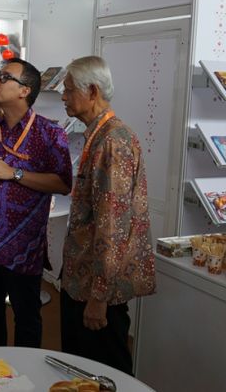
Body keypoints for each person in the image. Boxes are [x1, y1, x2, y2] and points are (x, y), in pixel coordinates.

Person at [0, 58, 72, 348]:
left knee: (26, 320)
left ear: (24, 91)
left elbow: (63, 183)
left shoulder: (50, 134)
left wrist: (15, 173)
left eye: (4, 77)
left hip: (24, 248)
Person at [60, 56, 155, 375]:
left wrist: (99, 295)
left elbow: (113, 225)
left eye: (69, 89)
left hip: (96, 288)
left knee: (104, 372)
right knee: (80, 371)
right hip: (84, 278)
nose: (63, 96)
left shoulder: (113, 141)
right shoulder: (98, 135)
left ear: (93, 91)